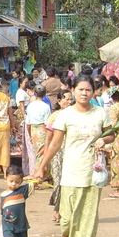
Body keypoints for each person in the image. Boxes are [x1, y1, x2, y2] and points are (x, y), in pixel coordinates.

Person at [35, 74, 114, 237]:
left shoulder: (100, 113)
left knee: (87, 218)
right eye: (80, 89)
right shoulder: (65, 115)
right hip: (70, 172)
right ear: (73, 91)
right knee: (68, 218)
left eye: (88, 90)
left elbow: (112, 133)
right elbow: (55, 143)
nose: (84, 93)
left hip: (93, 173)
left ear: (93, 91)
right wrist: (42, 166)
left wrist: (104, 140)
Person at [0, 164, 36, 237]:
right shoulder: (3, 195)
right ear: (5, 179)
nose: (13, 184)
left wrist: (32, 178)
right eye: (11, 181)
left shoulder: (22, 191)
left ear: (21, 182)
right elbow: (2, 210)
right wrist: (1, 223)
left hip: (20, 224)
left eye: (17, 182)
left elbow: (35, 182)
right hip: (7, 224)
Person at [45, 89, 73, 223]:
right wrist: (45, 155)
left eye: (70, 99)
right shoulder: (54, 116)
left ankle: (67, 212)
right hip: (57, 153)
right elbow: (49, 138)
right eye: (66, 99)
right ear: (59, 101)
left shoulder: (75, 115)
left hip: (72, 152)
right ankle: (57, 210)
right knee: (58, 182)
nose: (69, 101)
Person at [26, 84, 52, 166]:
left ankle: (38, 170)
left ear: (34, 93)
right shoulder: (46, 106)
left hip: (33, 130)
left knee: (37, 151)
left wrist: (30, 135)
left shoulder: (30, 106)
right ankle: (42, 171)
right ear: (45, 94)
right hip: (42, 129)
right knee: (43, 151)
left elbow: (28, 123)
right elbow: (47, 122)